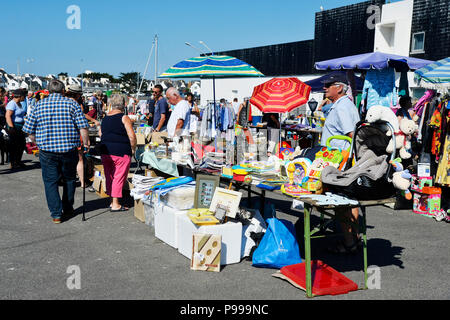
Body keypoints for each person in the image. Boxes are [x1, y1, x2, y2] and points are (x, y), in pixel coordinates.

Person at [23, 79, 90, 224]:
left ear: (48, 90)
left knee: (50, 182)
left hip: (47, 150)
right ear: (63, 90)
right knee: (69, 179)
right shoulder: (72, 104)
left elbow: (28, 130)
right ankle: (68, 208)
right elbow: (83, 127)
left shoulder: (39, 105)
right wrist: (85, 143)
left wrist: (37, 141)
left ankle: (56, 214)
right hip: (69, 148)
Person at [320, 73, 361, 254]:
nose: (325, 88)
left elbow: (351, 134)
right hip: (342, 159)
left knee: (340, 203)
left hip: (339, 161)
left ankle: (349, 241)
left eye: (329, 85)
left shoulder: (343, 107)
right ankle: (354, 238)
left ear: (339, 87)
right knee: (350, 202)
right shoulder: (342, 105)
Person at [99, 94, 136, 211]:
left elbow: (101, 134)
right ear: (123, 104)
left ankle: (112, 201)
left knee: (109, 176)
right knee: (118, 177)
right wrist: (133, 149)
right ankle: (115, 204)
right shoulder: (124, 117)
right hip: (121, 152)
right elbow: (132, 136)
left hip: (106, 151)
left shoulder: (105, 118)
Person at [65, 84, 99, 188]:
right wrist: (86, 141)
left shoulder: (62, 101)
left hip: (63, 134)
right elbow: (83, 124)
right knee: (79, 158)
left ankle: (65, 179)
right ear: (78, 95)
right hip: (75, 134)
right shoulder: (75, 104)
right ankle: (82, 182)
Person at [5, 89, 27, 169]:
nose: (25, 97)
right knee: (14, 145)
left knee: (21, 144)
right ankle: (13, 163)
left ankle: (18, 161)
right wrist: (11, 128)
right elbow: (7, 116)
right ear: (20, 96)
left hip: (20, 126)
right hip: (14, 126)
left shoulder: (19, 103)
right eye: (24, 96)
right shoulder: (12, 104)